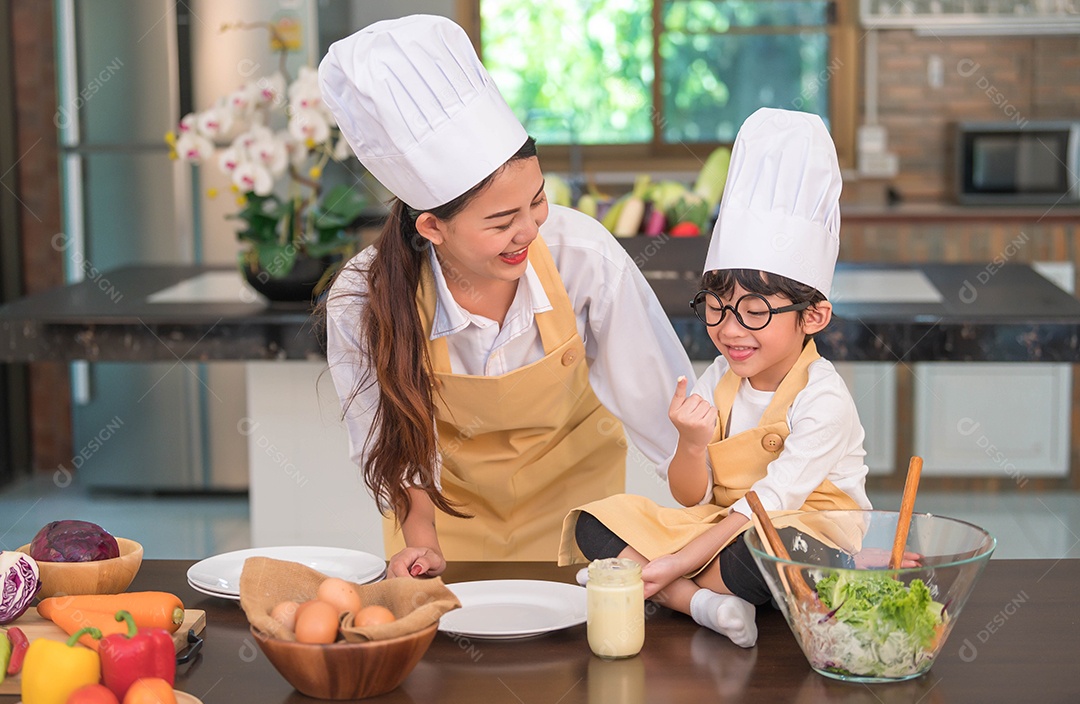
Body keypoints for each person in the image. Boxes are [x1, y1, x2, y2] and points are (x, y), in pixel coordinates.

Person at [318, 15, 694, 576]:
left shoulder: (582, 257)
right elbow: (390, 448)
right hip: (441, 534)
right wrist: (420, 541)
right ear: (432, 228)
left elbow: (671, 422)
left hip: (579, 534)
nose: (530, 230)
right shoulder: (363, 297)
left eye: (537, 201)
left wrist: (708, 538)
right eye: (501, 222)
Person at [558, 108, 873, 648]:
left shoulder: (824, 399)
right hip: (718, 527)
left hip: (801, 532)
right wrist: (691, 442)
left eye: (755, 311)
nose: (731, 331)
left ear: (813, 316)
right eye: (718, 308)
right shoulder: (720, 378)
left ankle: (653, 581)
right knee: (598, 522)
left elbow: (772, 503)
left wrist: (675, 557)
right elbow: (691, 497)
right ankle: (701, 602)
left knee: (772, 553)